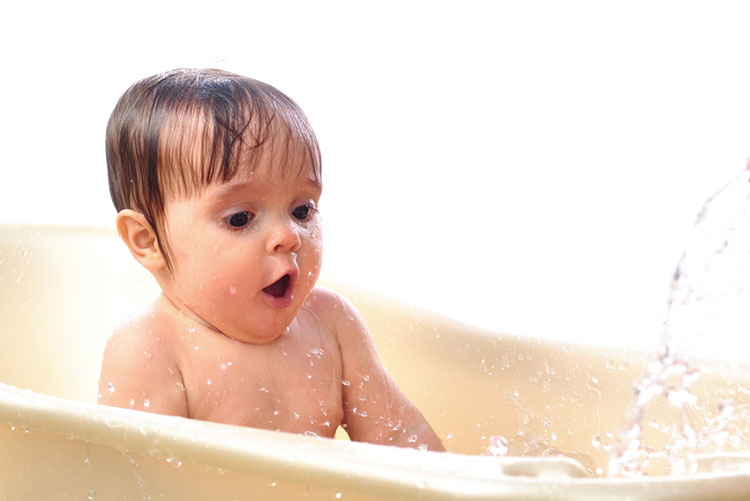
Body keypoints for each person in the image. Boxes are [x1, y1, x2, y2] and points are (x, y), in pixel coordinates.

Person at [98, 68, 444, 451]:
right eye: (240, 218)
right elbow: (138, 482)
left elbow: (400, 436)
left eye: (302, 210)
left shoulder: (330, 325)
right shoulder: (150, 349)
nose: (288, 236)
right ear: (148, 242)